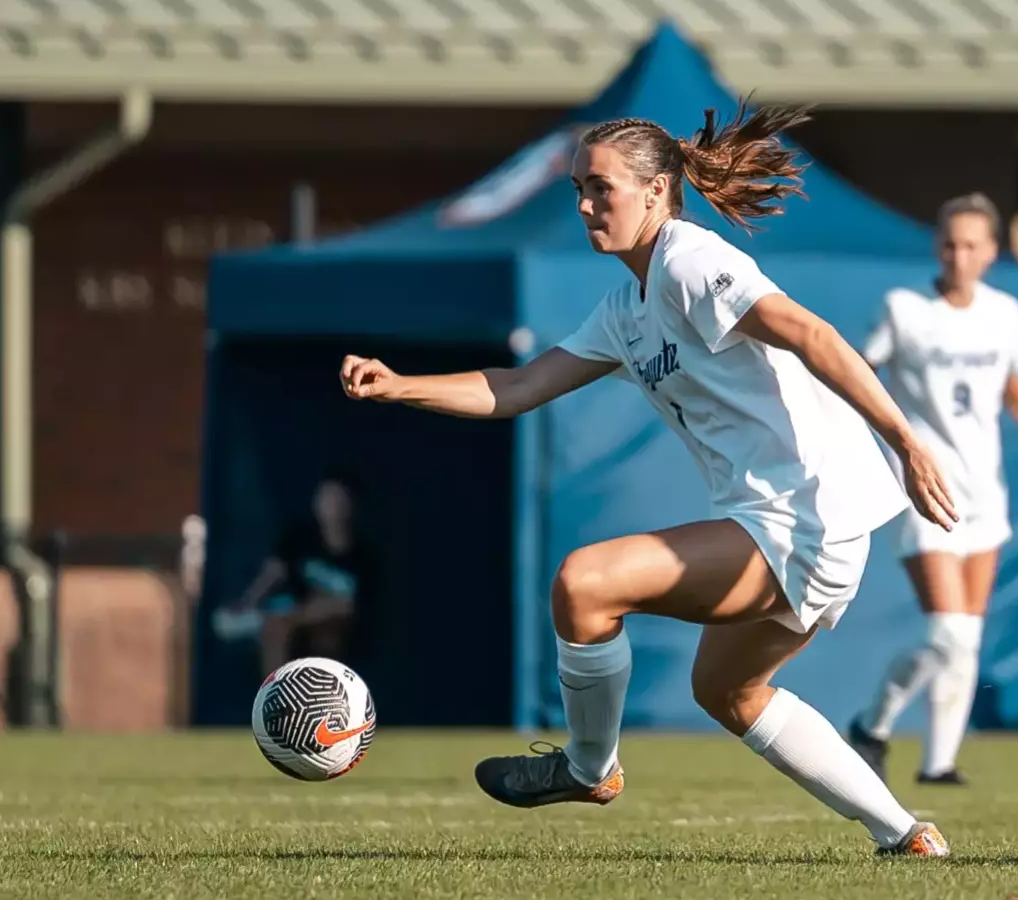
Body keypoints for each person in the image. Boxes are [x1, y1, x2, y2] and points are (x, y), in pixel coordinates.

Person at [340, 99, 957, 857]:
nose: (585, 205)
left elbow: (810, 332)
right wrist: (399, 385)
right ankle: (905, 834)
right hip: (790, 522)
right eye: (578, 189)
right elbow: (519, 387)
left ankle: (588, 769)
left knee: (585, 583)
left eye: (601, 188)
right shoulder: (623, 309)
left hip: (802, 518)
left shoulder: (688, 261)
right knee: (728, 693)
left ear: (657, 191)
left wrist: (906, 442)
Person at [845, 193, 1018, 786]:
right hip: (926, 486)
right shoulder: (904, 308)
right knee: (947, 632)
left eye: (972, 245)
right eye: (950, 244)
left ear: (991, 252)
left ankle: (939, 763)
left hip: (984, 491)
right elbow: (859, 373)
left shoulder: (1004, 312)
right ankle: (871, 724)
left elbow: (1012, 385)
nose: (959, 256)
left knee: (965, 638)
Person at [216, 473, 367, 678]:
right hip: (291, 612)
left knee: (328, 621)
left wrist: (301, 614)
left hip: (333, 624)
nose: (330, 506)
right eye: (325, 497)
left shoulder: (364, 555)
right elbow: (273, 572)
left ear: (350, 505)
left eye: (337, 498)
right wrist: (249, 601)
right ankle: (275, 694)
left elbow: (350, 607)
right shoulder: (299, 537)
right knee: (272, 627)